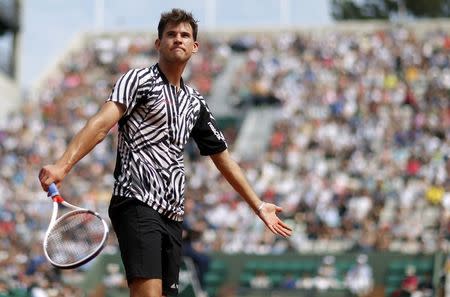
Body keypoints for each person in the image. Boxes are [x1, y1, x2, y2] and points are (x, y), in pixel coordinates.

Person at [38, 8, 292, 297]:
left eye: (185, 35)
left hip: (172, 214)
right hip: (135, 201)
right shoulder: (137, 81)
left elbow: (224, 160)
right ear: (158, 43)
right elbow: (100, 125)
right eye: (170, 34)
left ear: (195, 47)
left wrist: (258, 205)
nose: (178, 39)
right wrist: (62, 165)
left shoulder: (195, 102)